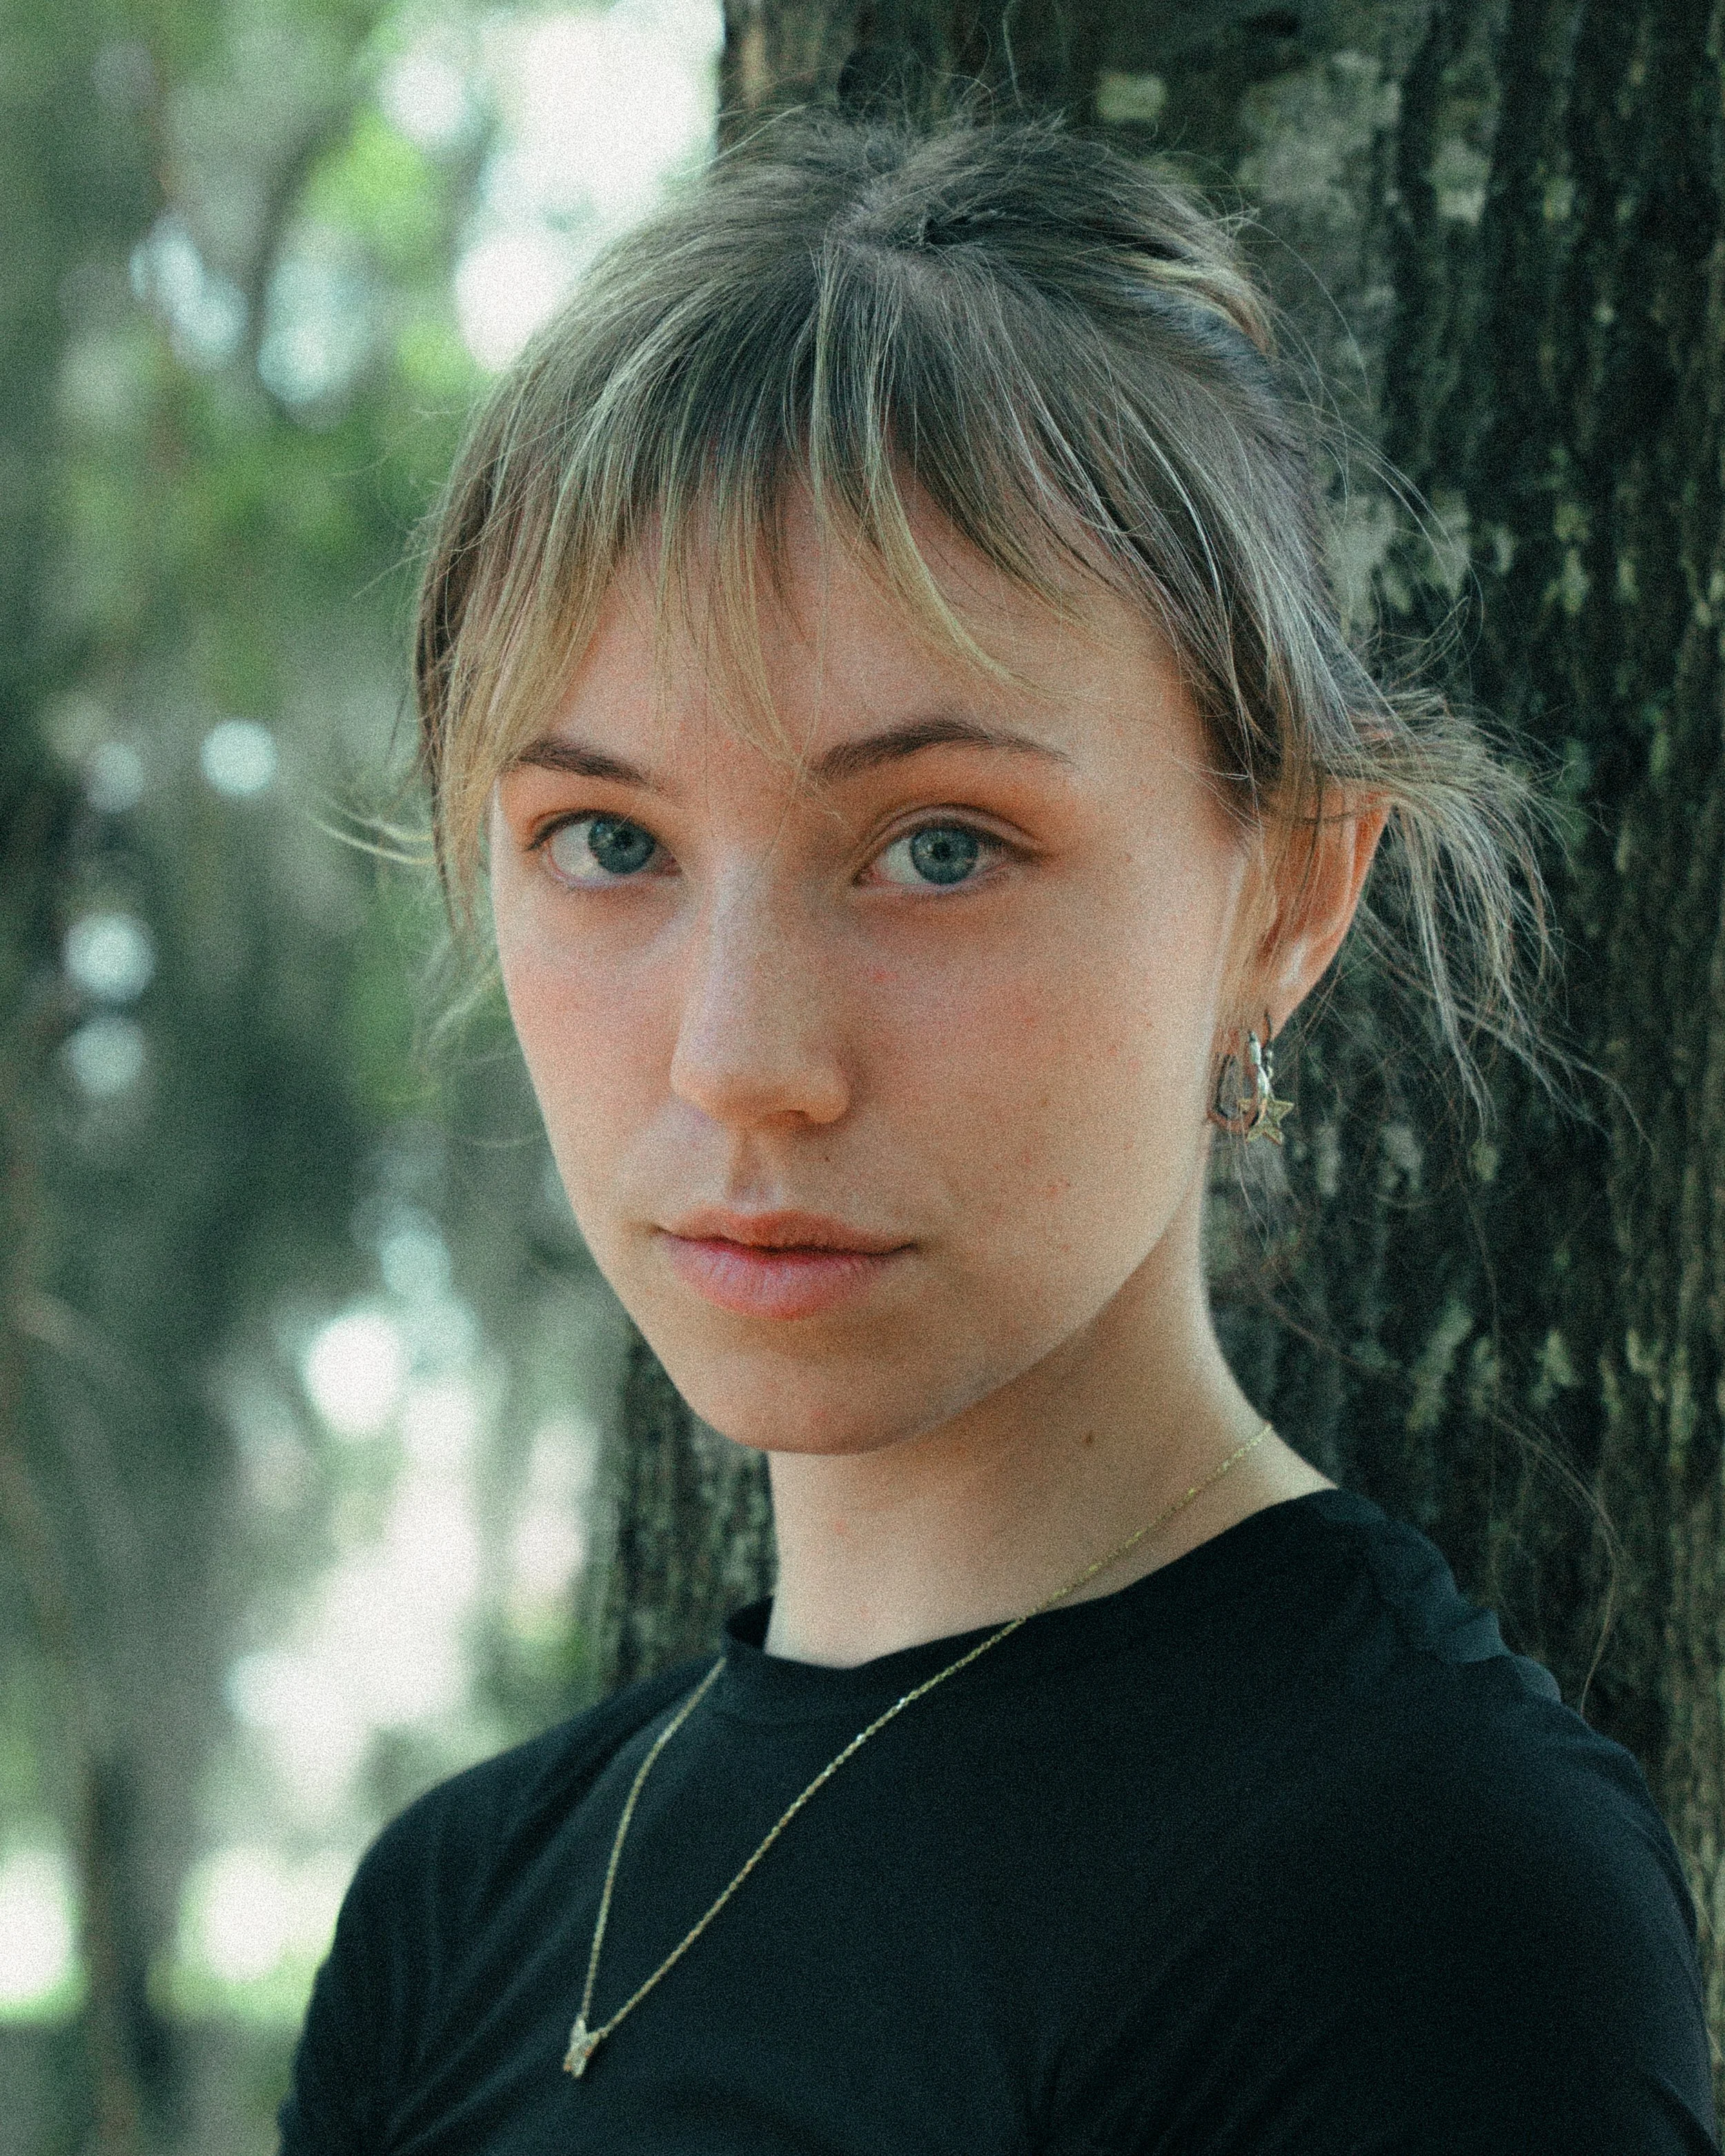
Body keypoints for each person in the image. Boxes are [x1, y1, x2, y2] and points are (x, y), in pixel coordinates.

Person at [278, 111, 1717, 2153]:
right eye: (608, 841)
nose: (741, 1058)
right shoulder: (459, 1900)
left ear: (1287, 894)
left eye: (937, 847)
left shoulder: (1426, 1898)